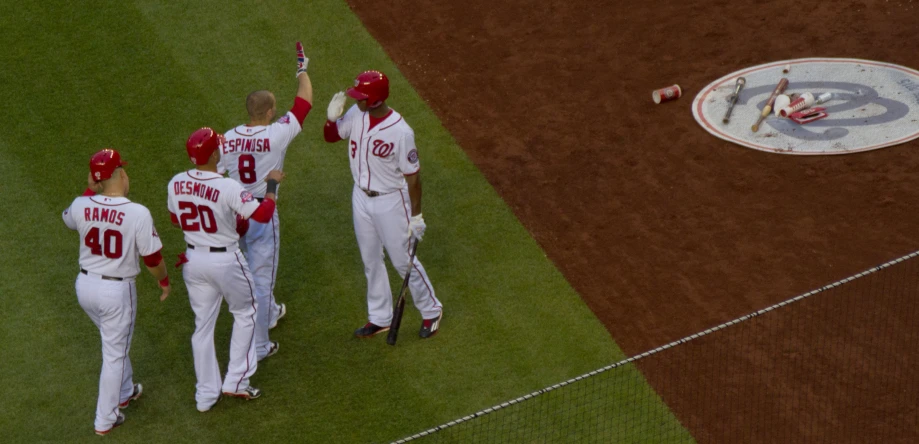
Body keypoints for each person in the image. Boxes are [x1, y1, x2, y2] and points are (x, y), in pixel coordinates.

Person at [167, 128, 285, 412]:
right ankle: (237, 380)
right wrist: (271, 185)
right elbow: (264, 214)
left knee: (203, 326)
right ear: (215, 154)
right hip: (226, 260)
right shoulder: (227, 186)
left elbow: (175, 219)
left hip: (194, 261)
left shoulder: (176, 183)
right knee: (246, 311)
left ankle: (206, 395)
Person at [323, 70, 443, 339]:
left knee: (403, 261)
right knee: (370, 258)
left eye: (360, 96)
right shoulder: (356, 114)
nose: (355, 100)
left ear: (375, 99)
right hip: (360, 197)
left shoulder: (400, 132)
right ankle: (380, 317)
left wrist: (416, 216)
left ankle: (431, 309)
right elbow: (331, 137)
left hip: (390, 200)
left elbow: (413, 178)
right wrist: (331, 121)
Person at [62, 149, 170, 435]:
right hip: (116, 293)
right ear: (121, 175)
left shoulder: (80, 204)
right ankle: (105, 419)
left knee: (114, 343)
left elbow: (68, 220)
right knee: (114, 353)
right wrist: (164, 282)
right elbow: (153, 259)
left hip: (85, 288)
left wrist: (90, 188)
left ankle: (125, 391)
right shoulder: (137, 212)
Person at [217, 42, 313, 361]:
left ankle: (270, 312)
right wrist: (302, 70)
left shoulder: (227, 137)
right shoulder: (276, 134)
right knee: (260, 278)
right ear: (270, 112)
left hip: (232, 212)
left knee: (250, 263)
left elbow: (216, 173)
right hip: (261, 210)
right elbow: (304, 104)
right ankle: (259, 345)